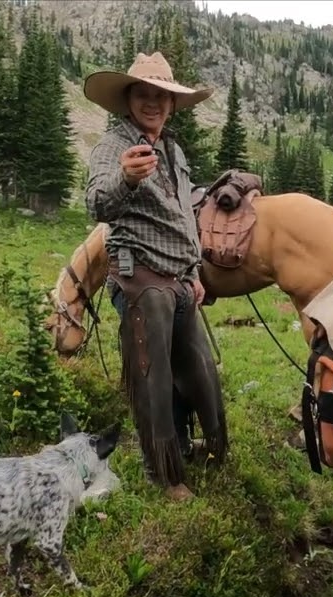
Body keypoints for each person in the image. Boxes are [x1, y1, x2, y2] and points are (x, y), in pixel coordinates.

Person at [82, 51, 228, 501]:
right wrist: (124, 179)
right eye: (143, 94)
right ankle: (163, 475)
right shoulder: (113, 147)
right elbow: (95, 204)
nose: (153, 102)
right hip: (139, 279)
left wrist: (194, 271)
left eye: (161, 96)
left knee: (201, 372)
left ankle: (207, 448)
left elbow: (183, 214)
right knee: (153, 379)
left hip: (179, 279)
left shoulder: (173, 150)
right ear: (128, 100)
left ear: (172, 104)